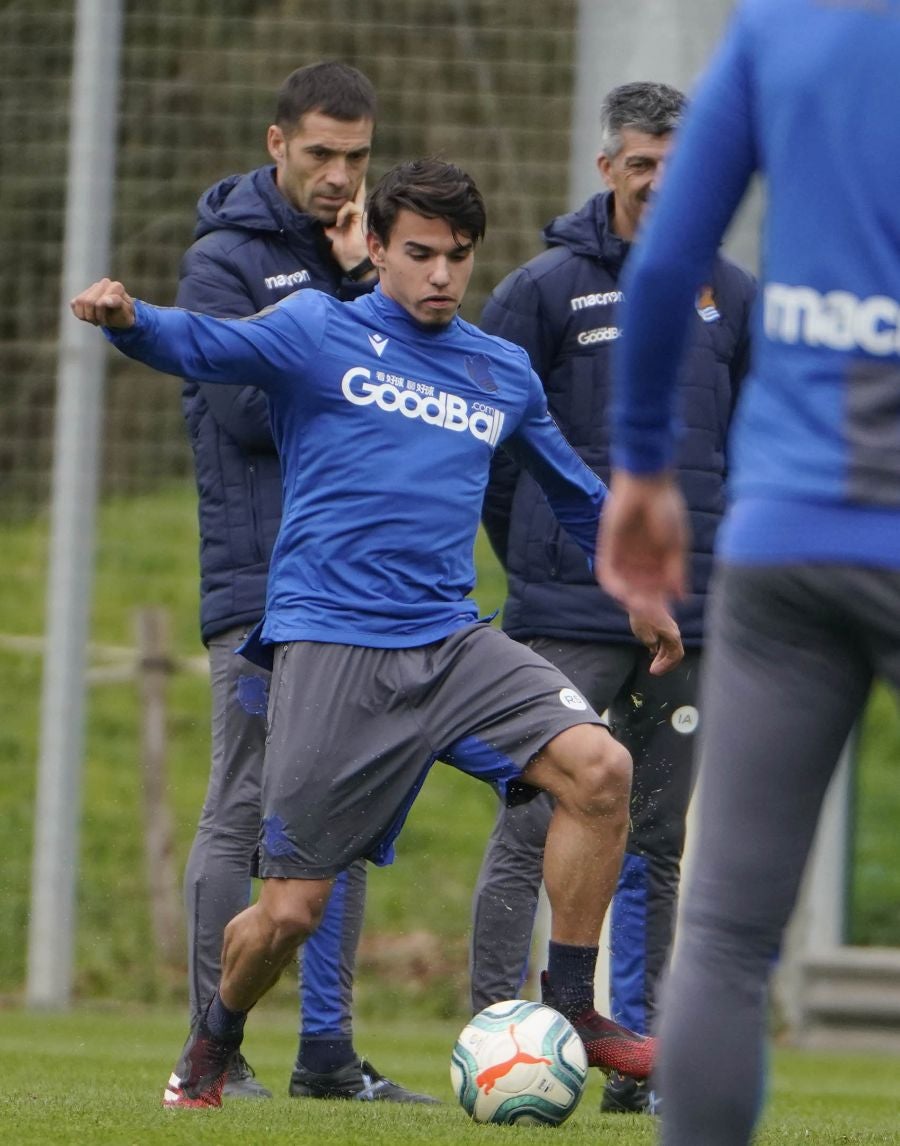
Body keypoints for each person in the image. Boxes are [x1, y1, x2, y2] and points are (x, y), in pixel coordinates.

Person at [71, 156, 683, 1110]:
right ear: (382, 250)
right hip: (332, 647)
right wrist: (128, 320)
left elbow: (575, 494)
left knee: (600, 771)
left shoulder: (498, 369)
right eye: (420, 254)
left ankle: (571, 1005)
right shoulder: (318, 330)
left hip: (452, 645)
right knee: (287, 914)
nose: (441, 275)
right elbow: (203, 345)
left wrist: (639, 587)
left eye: (459, 257)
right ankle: (212, 1041)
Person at [597, 3, 900, 1144]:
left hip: (787, 540)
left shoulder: (783, 29)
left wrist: (641, 466)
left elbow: (670, 254)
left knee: (723, 934)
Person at [470, 80, 755, 1115]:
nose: (660, 183)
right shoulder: (543, 290)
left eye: (680, 168)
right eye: (643, 165)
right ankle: (499, 1033)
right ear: (608, 169)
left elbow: (752, 450)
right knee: (529, 827)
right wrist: (550, 569)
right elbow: (500, 461)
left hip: (698, 615)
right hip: (565, 617)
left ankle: (642, 1060)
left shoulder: (733, 292)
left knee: (661, 839)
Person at [176, 61, 433, 1103]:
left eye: (357, 158)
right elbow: (247, 413)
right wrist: (342, 298)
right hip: (261, 587)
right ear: (276, 144)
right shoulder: (220, 265)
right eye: (321, 153)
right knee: (242, 812)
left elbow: (410, 399)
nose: (340, 176)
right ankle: (214, 1050)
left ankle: (326, 1057)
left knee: (348, 818)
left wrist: (362, 287)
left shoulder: (366, 264)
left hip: (359, 589)